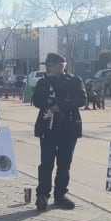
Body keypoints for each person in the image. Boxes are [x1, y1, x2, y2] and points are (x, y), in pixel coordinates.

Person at [32, 52, 86, 211]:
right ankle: (42, 195)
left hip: (68, 127)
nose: (48, 68)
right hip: (48, 127)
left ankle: (60, 195)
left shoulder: (74, 81)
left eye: (51, 65)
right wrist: (50, 105)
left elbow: (82, 100)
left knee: (64, 164)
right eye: (47, 65)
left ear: (61, 66)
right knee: (46, 164)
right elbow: (36, 100)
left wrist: (61, 106)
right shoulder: (43, 82)